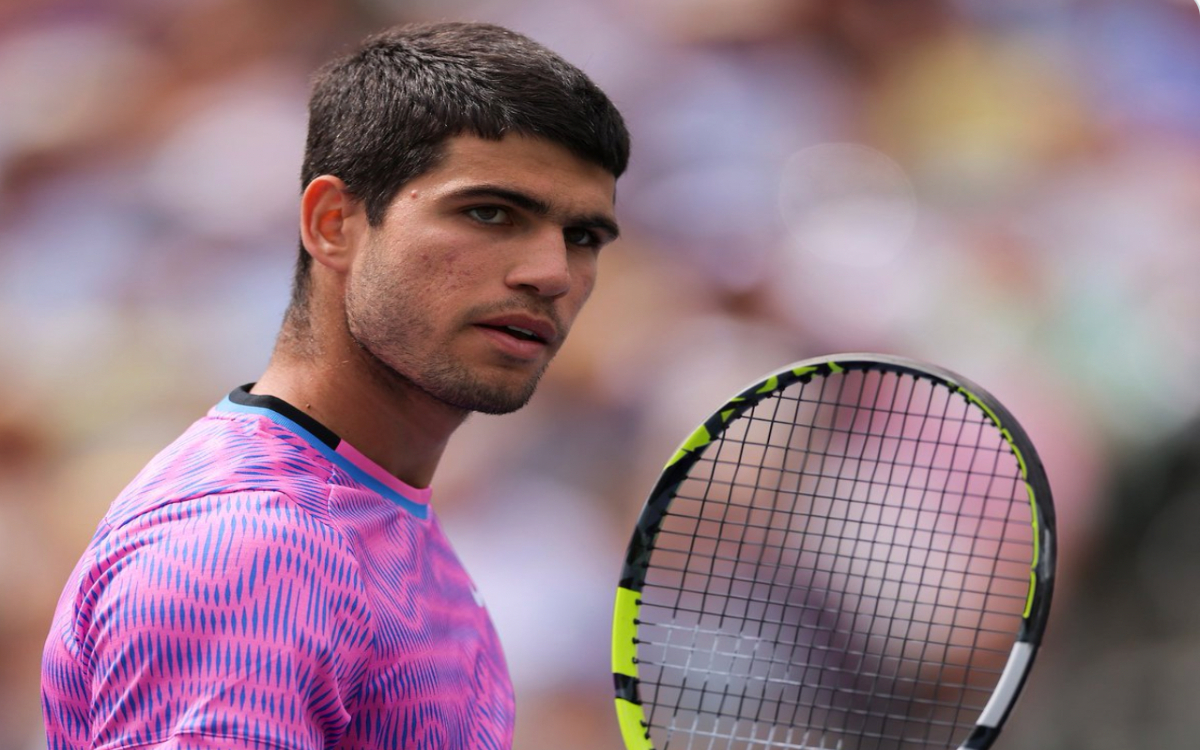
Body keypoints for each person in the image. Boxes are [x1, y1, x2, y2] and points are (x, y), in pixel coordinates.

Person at [41, 21, 630, 750]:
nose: (552, 273)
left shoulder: (370, 512)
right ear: (332, 224)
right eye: (489, 212)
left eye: (582, 237)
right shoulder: (257, 549)